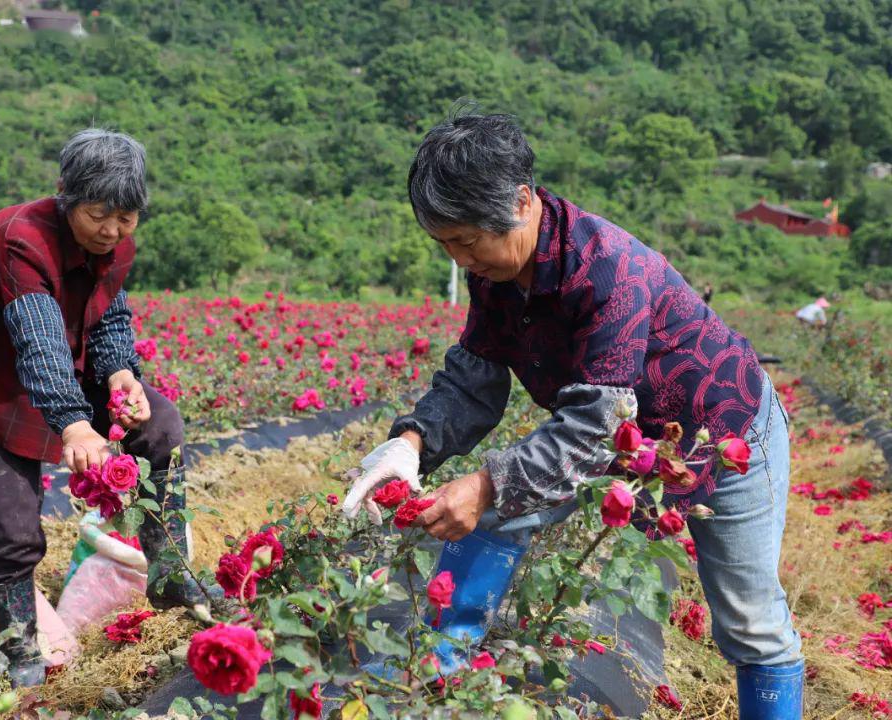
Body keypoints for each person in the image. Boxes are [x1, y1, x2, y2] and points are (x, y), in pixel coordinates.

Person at [342, 113, 802, 719]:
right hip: (625, 438)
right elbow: (476, 373)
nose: (459, 260)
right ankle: (436, 671)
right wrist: (410, 442)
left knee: (750, 622)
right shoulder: (498, 270)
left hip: (722, 436)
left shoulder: (607, 270)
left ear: (523, 202)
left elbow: (594, 426)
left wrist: (484, 485)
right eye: (444, 245)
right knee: (500, 511)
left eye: (465, 241)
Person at [0, 129, 210, 687]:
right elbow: (38, 341)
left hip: (71, 370)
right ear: (66, 195)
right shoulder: (18, 239)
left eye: (128, 217)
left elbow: (108, 316)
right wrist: (78, 425)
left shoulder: (116, 244)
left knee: (160, 424)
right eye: (99, 214)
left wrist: (121, 376)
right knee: (16, 529)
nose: (113, 230)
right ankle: (18, 648)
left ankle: (166, 570)